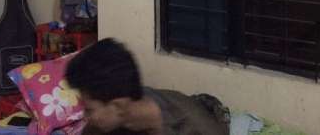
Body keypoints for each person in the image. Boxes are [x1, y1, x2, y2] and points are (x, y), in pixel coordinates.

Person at [65, 38, 229, 135]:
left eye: (89, 110)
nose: (85, 116)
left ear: (118, 106)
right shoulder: (106, 121)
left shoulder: (193, 127)